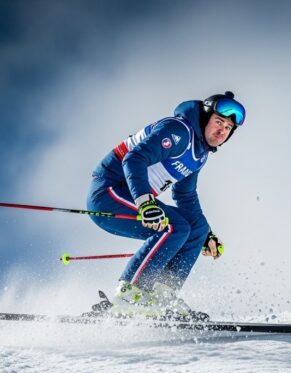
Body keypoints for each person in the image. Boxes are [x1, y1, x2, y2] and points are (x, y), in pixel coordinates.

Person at [86, 91, 246, 318]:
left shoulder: (199, 154)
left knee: (194, 229)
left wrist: (206, 235)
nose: (222, 131)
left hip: (135, 199)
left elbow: (185, 195)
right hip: (109, 192)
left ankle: (162, 297)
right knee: (173, 227)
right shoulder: (178, 130)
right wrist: (145, 202)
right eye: (219, 122)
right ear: (204, 118)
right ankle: (129, 294)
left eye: (228, 128)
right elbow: (134, 158)